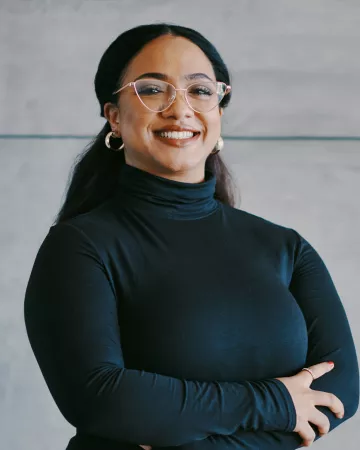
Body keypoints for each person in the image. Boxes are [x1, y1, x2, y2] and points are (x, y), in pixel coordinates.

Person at [23, 23, 359, 450]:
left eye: (200, 91)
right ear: (114, 116)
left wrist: (179, 438)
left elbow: (338, 392)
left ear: (219, 111)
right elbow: (101, 399)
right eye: (152, 90)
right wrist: (276, 402)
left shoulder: (284, 247)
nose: (180, 110)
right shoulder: (79, 247)